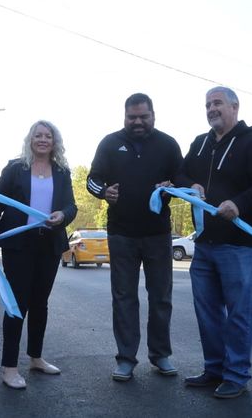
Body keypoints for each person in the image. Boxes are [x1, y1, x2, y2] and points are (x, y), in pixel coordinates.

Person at [175, 86, 252, 399]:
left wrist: (240, 204)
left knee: (239, 314)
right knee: (207, 312)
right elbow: (179, 173)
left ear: (235, 106)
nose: (211, 109)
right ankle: (215, 369)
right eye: (207, 104)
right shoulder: (200, 143)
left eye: (217, 103)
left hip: (242, 245)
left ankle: (236, 375)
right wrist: (188, 183)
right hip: (205, 244)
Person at [87, 93, 183, 381]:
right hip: (121, 233)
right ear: (124, 116)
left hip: (158, 233)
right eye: (132, 117)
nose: (138, 121)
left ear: (153, 115)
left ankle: (160, 355)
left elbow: (183, 178)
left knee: (161, 297)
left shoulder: (168, 144)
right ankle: (126, 358)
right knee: (124, 297)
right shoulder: (109, 143)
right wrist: (103, 192)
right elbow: (91, 179)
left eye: (144, 116)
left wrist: (173, 185)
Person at [0, 120, 78, 390]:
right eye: (38, 135)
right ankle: (9, 367)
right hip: (18, 245)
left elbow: (70, 206)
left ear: (54, 141)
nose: (43, 139)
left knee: (40, 303)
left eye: (48, 136)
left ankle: (36, 357)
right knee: (17, 305)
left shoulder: (61, 171)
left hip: (48, 245)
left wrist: (62, 216)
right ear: (30, 139)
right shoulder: (15, 168)